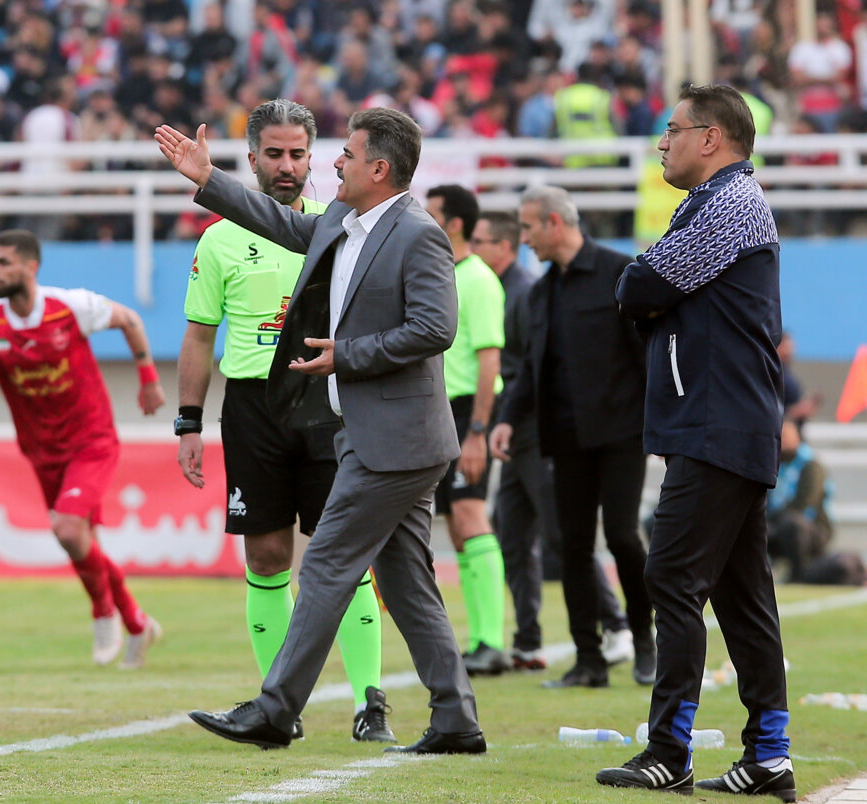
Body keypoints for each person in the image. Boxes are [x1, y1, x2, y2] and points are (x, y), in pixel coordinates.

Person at [157, 108, 485, 755]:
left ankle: (276, 710)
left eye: (347, 154)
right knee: (406, 581)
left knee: (329, 561)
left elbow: (435, 329)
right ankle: (455, 719)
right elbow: (280, 223)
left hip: (396, 439)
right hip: (375, 433)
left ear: (380, 169)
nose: (334, 163)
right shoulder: (344, 222)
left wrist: (347, 353)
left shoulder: (418, 234)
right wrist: (209, 180)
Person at [598, 84, 795, 801]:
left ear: (712, 138)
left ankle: (668, 748)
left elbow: (640, 284)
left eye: (673, 130)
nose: (663, 142)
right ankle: (769, 753)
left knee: (671, 577)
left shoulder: (731, 203)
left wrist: (646, 288)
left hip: (718, 422)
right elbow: (649, 287)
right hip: (728, 421)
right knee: (744, 597)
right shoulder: (719, 204)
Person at [177, 99, 395, 742]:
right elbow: (197, 338)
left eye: (297, 153)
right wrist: (188, 423)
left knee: (344, 556)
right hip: (252, 409)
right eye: (273, 153)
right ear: (250, 159)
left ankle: (370, 703)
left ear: (315, 157)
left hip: (326, 405)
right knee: (268, 555)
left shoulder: (340, 231)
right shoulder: (218, 238)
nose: (286, 165)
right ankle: (280, 708)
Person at [0, 230, 166, 669]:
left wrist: (149, 379)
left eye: (3, 263)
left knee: (67, 531)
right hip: (41, 450)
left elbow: (130, 319)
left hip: (91, 440)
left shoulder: (70, 306)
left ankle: (103, 614)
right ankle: (139, 624)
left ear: (30, 267)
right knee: (82, 540)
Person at [489, 185, 654, 690]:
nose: (523, 238)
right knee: (573, 545)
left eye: (528, 227)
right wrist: (506, 419)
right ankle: (589, 659)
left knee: (623, 536)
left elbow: (646, 356)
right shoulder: (539, 294)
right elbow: (527, 372)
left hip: (622, 433)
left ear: (555, 224)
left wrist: (661, 421)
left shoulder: (619, 274)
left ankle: (646, 644)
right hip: (564, 439)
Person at [422, 185, 510, 677]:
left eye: (432, 213)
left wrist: (477, 431)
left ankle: (492, 641)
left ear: (454, 223)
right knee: (458, 525)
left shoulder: (477, 279)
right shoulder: (444, 273)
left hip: (466, 414)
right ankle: (481, 639)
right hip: (442, 411)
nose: (424, 219)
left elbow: (489, 359)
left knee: (472, 516)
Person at [768, 419, 833, 583]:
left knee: (793, 524)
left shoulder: (810, 465)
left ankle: (800, 575)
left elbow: (804, 502)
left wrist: (771, 519)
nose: (781, 439)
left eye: (785, 435)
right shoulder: (769, 464)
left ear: (797, 437)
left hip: (812, 529)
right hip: (776, 523)